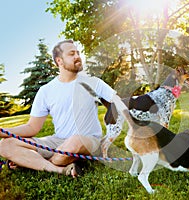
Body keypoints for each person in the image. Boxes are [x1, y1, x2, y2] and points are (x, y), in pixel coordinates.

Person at [0, 39, 119, 177]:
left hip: (88, 140)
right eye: (72, 54)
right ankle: (60, 169)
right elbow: (32, 127)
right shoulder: (46, 90)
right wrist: (3, 132)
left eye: (78, 53)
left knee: (75, 141)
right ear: (59, 61)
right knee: (5, 144)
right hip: (57, 140)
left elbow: (118, 103)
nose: (77, 56)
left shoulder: (93, 82)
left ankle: (33, 162)